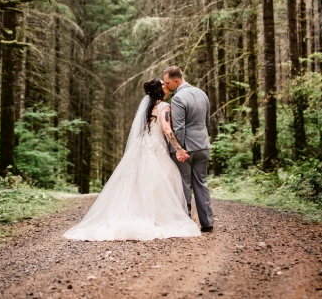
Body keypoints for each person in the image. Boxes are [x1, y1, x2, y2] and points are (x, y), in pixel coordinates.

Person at [63, 77, 201, 241]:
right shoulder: (164, 106)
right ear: (159, 90)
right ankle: (156, 218)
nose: (165, 85)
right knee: (160, 180)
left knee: (141, 182)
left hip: (142, 146)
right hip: (155, 148)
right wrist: (179, 148)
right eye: (162, 84)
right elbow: (166, 129)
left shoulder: (147, 107)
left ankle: (141, 214)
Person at [162, 66, 214, 232]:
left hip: (186, 148)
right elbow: (207, 122)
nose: (166, 85)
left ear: (176, 81)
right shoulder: (202, 94)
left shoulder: (178, 98)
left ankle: (185, 223)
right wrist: (203, 140)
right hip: (203, 145)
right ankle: (207, 223)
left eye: (168, 82)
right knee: (201, 183)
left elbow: (179, 127)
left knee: (183, 183)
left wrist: (179, 149)